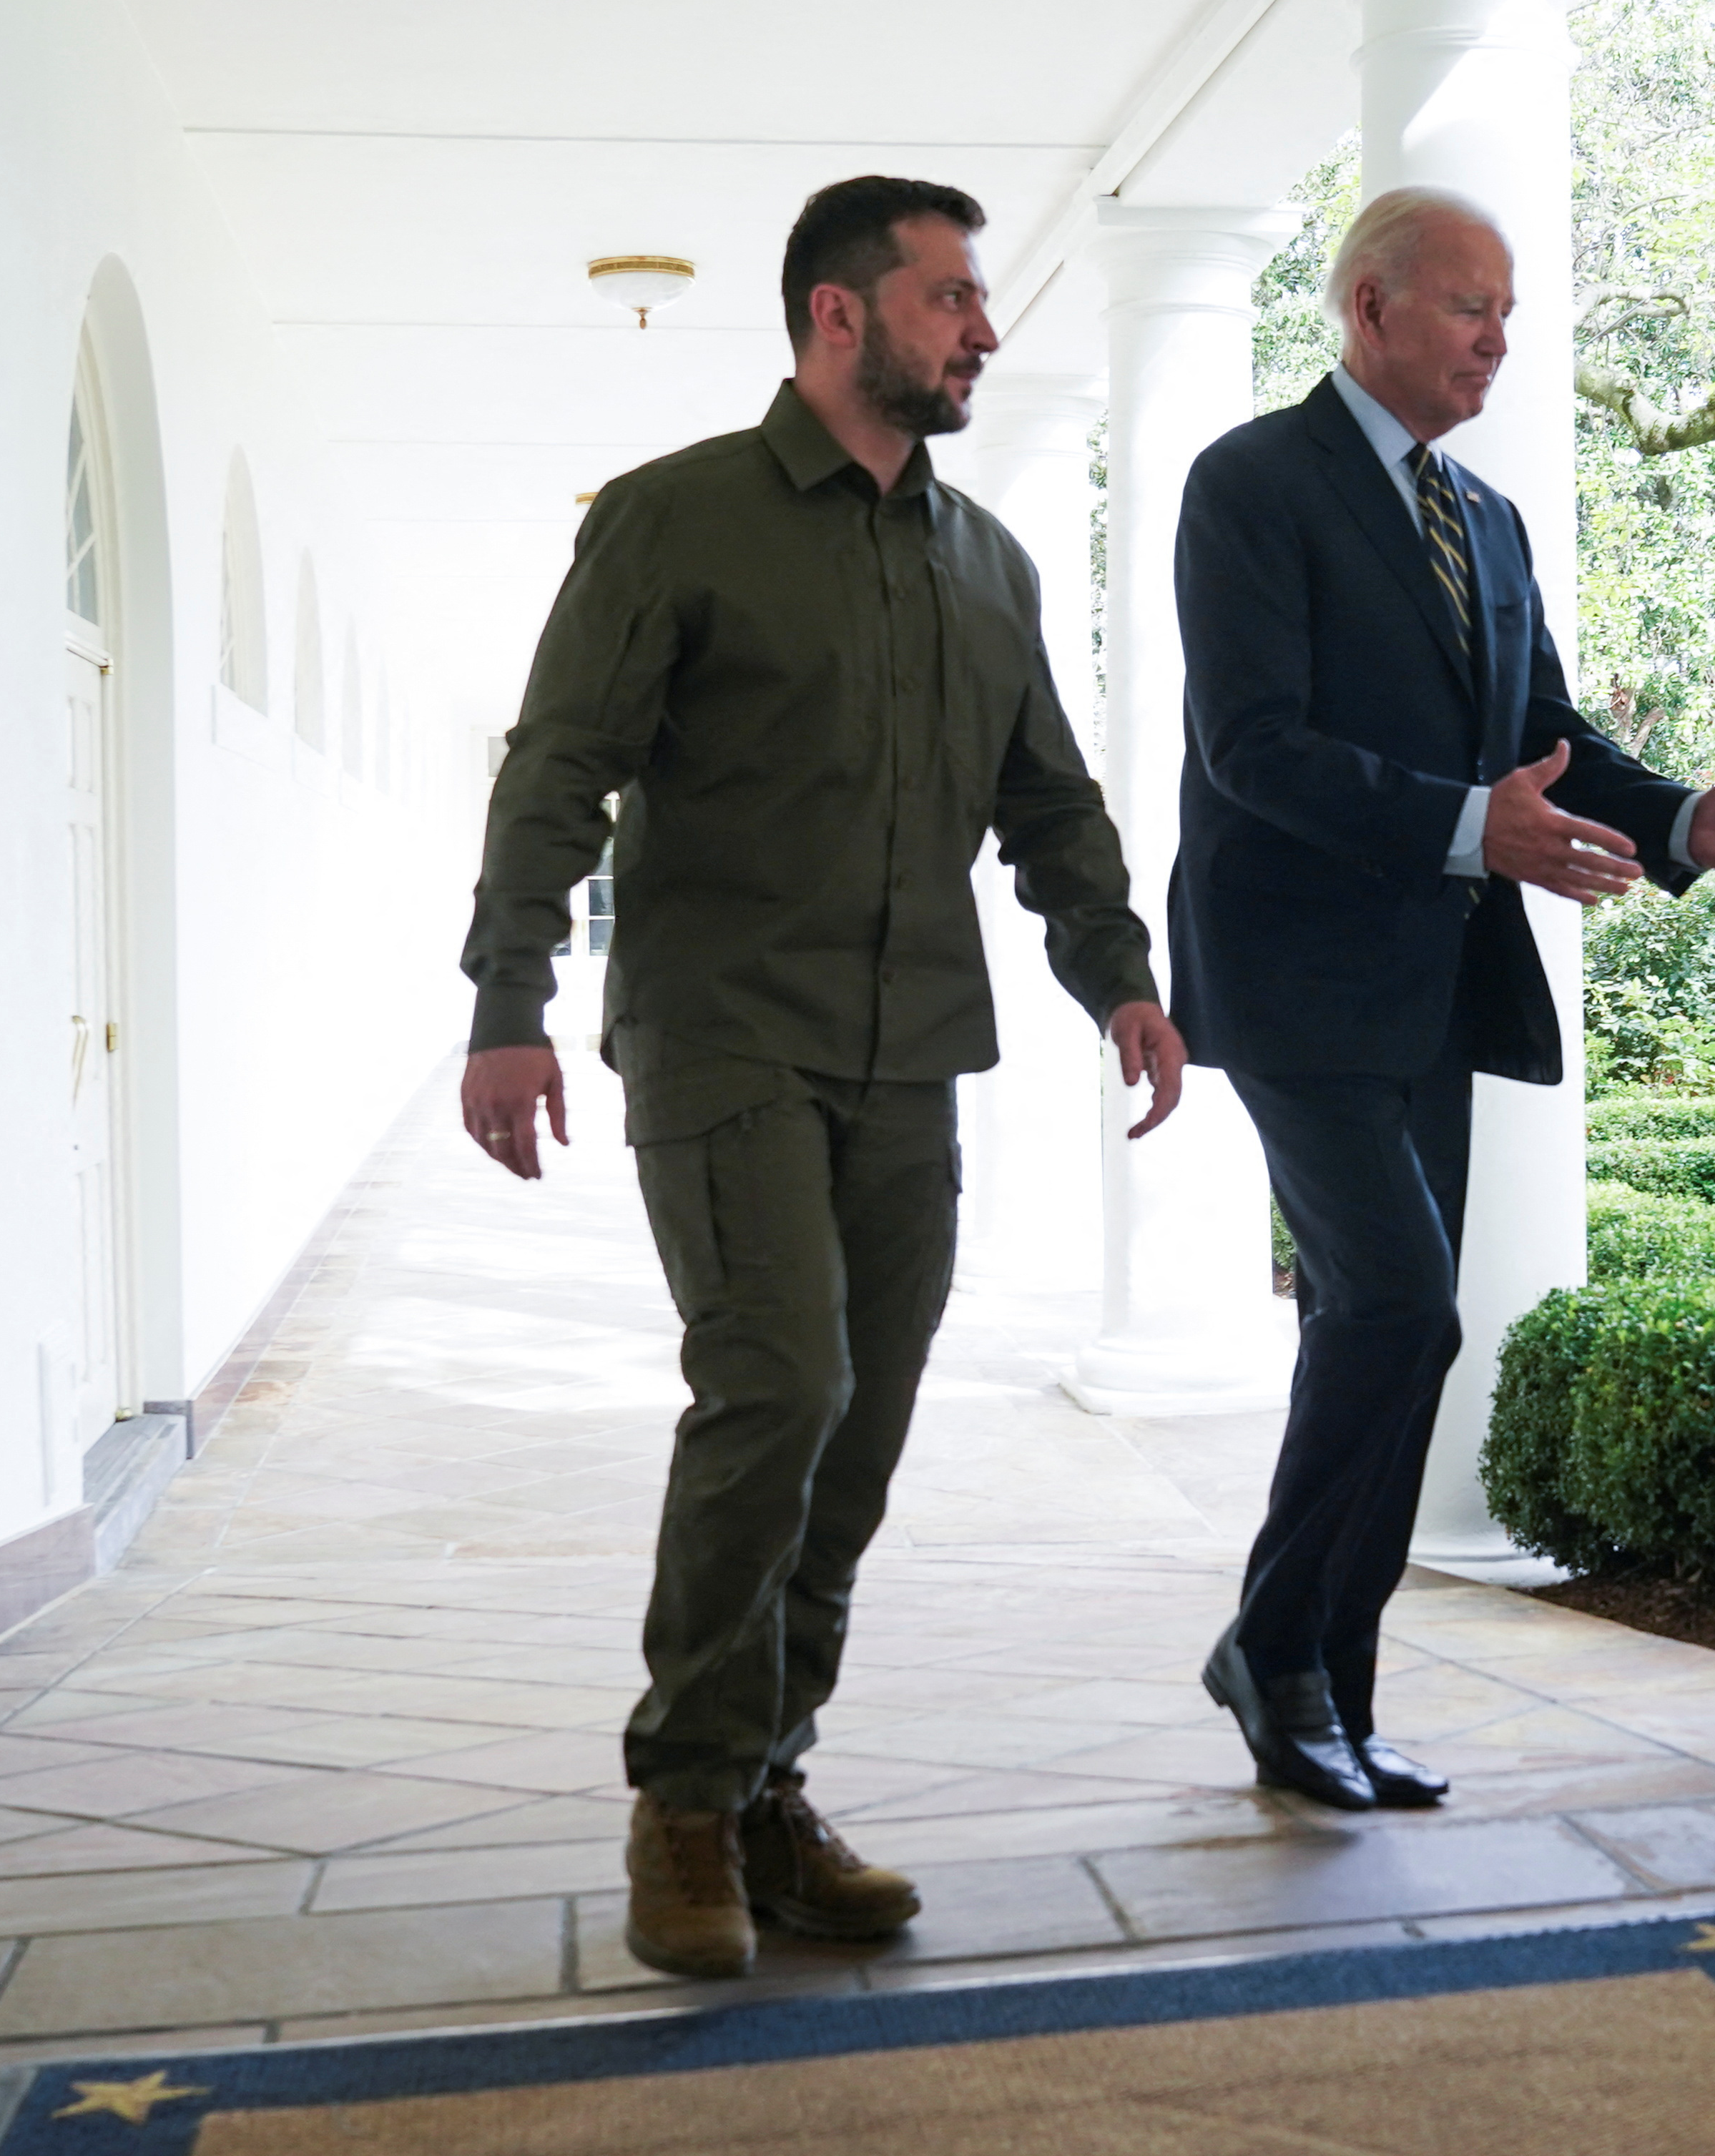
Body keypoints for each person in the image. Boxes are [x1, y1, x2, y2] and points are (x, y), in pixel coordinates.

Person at [457, 177, 1188, 1977]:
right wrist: (507, 995)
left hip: (909, 1049)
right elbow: (557, 764)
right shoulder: (675, 522)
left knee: (854, 1438)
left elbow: (1050, 802)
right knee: (778, 1384)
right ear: (839, 316)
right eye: (951, 297)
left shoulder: (986, 563)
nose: (985, 331)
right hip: (722, 1032)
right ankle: (686, 1803)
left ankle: (774, 1781)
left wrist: (1119, 972)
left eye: (980, 301)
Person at [1165, 185, 1715, 1811]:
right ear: (1371, 308)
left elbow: (1544, 747)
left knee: (1381, 1328)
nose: (1498, 338)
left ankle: (1331, 1678)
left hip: (1437, 987)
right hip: (1291, 978)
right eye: (1469, 306)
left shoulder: (1494, 522)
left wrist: (1682, 821)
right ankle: (1274, 1643)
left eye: (1509, 311)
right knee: (1399, 1302)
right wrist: (1477, 826)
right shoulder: (1250, 482)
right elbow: (1253, 749)